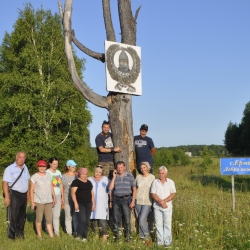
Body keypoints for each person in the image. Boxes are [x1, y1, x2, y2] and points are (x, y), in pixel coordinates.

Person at [2, 151, 30, 240]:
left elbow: (27, 181)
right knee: (13, 215)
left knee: (22, 216)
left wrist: (28, 194)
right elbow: (5, 183)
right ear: (16, 158)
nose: (22, 160)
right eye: (20, 157)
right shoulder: (9, 169)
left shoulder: (25, 168)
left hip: (24, 194)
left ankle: (20, 233)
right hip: (14, 193)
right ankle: (11, 236)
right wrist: (7, 196)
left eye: (23, 158)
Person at [109, 161, 136, 242]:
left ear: (125, 167)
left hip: (126, 199)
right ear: (116, 168)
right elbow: (110, 188)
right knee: (117, 220)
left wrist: (133, 201)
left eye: (121, 167)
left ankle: (128, 238)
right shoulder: (115, 176)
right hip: (116, 199)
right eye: (118, 167)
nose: (120, 169)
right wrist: (113, 177)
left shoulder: (130, 176)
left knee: (127, 220)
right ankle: (117, 238)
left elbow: (134, 189)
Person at [30, 160, 56, 238]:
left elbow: (51, 186)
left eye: (43, 166)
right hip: (39, 201)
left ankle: (52, 235)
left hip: (48, 200)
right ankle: (39, 235)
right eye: (40, 166)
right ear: (38, 166)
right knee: (39, 219)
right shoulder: (34, 177)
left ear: (46, 167)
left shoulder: (48, 175)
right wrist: (32, 203)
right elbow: (31, 190)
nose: (42, 168)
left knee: (49, 219)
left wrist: (54, 197)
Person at [151, 166, 176, 247]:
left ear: (166, 174)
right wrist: (160, 202)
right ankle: (160, 243)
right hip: (157, 207)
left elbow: (173, 194)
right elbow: (153, 194)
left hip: (167, 207)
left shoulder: (171, 182)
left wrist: (164, 201)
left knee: (167, 225)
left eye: (162, 173)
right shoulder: (155, 182)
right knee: (158, 225)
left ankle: (167, 242)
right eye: (159, 173)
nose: (161, 175)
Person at [71, 168, 95, 242]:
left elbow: (92, 193)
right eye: (83, 174)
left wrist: (93, 203)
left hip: (89, 203)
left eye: (86, 174)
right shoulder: (76, 182)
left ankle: (84, 237)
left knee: (87, 221)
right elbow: (72, 193)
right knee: (82, 220)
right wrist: (75, 203)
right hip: (80, 203)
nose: (84, 175)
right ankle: (78, 236)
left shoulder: (89, 182)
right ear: (79, 174)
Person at [135, 162, 155, 246]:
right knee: (139, 218)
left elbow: (154, 190)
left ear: (148, 168)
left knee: (142, 219)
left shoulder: (152, 177)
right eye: (141, 168)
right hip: (138, 200)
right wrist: (133, 200)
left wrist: (153, 203)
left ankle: (147, 239)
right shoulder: (138, 177)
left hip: (147, 201)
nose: (142, 169)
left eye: (144, 167)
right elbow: (135, 188)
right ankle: (142, 237)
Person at [88, 166, 110, 241]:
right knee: (93, 218)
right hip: (92, 201)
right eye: (96, 172)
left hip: (102, 202)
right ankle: (95, 234)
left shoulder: (105, 179)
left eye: (99, 172)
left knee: (102, 218)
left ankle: (104, 235)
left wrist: (111, 201)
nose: (97, 173)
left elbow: (109, 190)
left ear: (102, 173)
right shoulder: (89, 179)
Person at [46, 157, 64, 236]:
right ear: (50, 164)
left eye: (57, 164)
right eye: (54, 164)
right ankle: (47, 229)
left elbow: (60, 184)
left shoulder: (59, 172)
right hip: (48, 195)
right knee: (49, 214)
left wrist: (62, 196)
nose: (55, 165)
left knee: (57, 214)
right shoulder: (47, 173)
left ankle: (57, 232)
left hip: (58, 194)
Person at [62, 159, 78, 236]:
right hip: (67, 199)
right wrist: (62, 200)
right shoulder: (64, 177)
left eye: (75, 166)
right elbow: (62, 188)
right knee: (68, 216)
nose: (74, 167)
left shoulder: (77, 176)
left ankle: (76, 231)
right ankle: (69, 233)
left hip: (76, 200)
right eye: (73, 166)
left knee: (75, 216)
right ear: (68, 167)